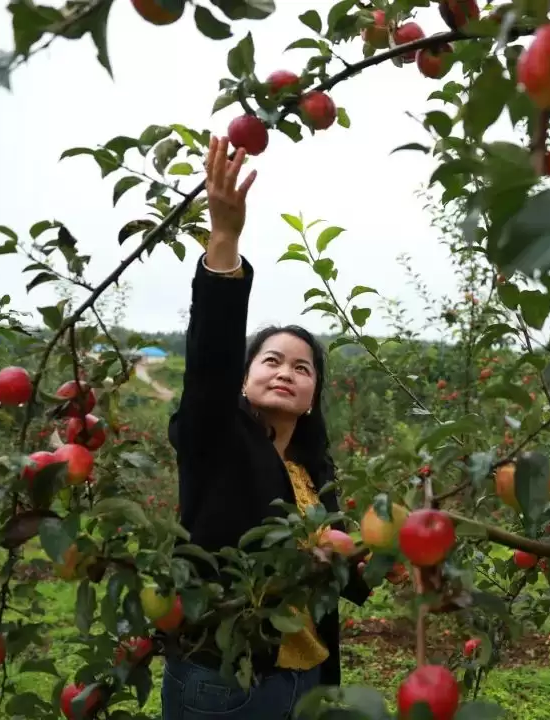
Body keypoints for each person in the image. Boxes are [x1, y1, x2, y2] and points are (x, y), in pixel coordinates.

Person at [162, 136, 370, 720]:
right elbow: (208, 366)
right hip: (227, 680)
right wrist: (224, 241)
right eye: (271, 360)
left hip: (308, 680)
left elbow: (347, 581)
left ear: (312, 398)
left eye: (302, 368)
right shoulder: (216, 439)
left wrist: (372, 554)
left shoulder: (313, 473)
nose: (286, 372)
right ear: (244, 378)